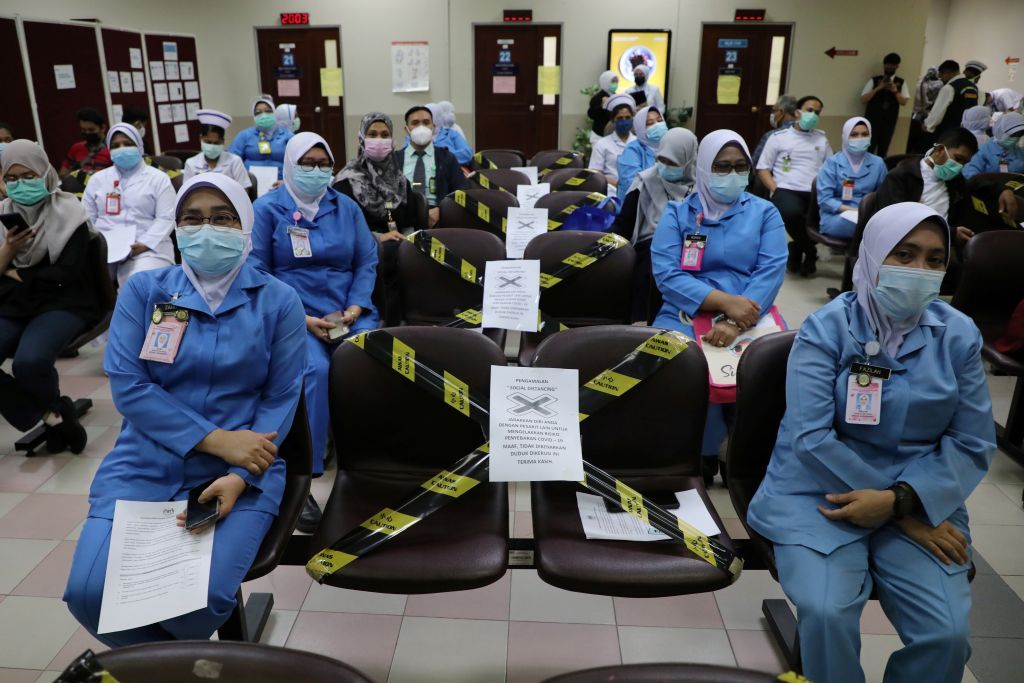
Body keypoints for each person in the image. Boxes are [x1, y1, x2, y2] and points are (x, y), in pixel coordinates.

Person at [747, 201, 995, 683]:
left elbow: (971, 441)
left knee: (946, 636)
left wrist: (899, 503)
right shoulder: (827, 329)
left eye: (934, 259)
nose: (920, 270)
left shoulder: (958, 335)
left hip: (923, 495)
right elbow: (811, 436)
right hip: (820, 489)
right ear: (872, 254)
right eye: (903, 255)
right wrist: (902, 512)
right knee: (826, 613)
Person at [64, 173, 307, 647]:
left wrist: (241, 473)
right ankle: (176, 665)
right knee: (87, 594)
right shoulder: (145, 292)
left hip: (241, 472)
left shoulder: (278, 301)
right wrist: (219, 441)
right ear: (175, 228)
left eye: (222, 218)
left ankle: (175, 659)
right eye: (191, 219)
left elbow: (281, 398)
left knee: (199, 602)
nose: (206, 229)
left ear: (246, 226)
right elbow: (130, 386)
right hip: (144, 462)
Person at [250, 132, 378, 532]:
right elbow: (257, 272)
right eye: (307, 163)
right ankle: (308, 469)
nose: (317, 171)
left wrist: (356, 307)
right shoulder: (268, 209)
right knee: (316, 370)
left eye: (325, 163)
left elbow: (366, 261)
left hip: (349, 311)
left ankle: (370, 458)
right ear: (290, 165)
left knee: (370, 363)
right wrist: (303, 319)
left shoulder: (346, 207)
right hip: (292, 314)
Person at [651, 130, 787, 483]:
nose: (732, 175)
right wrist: (726, 305)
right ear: (703, 169)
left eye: (741, 167)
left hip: (752, 313)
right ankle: (704, 449)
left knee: (767, 365)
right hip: (687, 311)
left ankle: (741, 448)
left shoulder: (764, 213)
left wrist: (736, 320)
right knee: (684, 362)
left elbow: (770, 271)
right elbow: (666, 275)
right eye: (722, 166)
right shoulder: (678, 214)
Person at [0, 140, 99, 454]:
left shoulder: (70, 213)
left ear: (45, 173)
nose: (19, 184)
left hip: (65, 301)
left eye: (27, 175)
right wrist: (9, 251)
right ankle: (53, 414)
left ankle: (51, 415)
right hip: (16, 302)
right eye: (11, 178)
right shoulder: (3, 214)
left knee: (29, 362)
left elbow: (65, 275)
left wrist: (17, 274)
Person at [613, 127, 697, 322]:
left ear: (688, 161)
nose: (665, 167)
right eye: (661, 160)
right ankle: (642, 324)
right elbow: (623, 225)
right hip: (650, 243)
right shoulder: (645, 181)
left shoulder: (702, 188)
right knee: (652, 264)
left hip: (692, 245)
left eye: (672, 163)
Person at [82, 124, 176, 287]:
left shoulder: (158, 178)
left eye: (128, 143)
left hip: (149, 249)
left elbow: (166, 217)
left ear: (139, 146)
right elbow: (87, 218)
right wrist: (100, 245)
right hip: (107, 249)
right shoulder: (98, 180)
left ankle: (155, 313)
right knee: (85, 282)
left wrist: (145, 243)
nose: (122, 149)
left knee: (141, 283)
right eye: (116, 146)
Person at [757, 95, 833, 276]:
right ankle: (810, 250)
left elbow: (831, 167)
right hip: (786, 189)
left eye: (818, 112)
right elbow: (762, 168)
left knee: (818, 221)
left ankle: (797, 248)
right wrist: (775, 190)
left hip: (815, 191)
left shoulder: (821, 140)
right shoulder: (779, 137)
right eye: (810, 110)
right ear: (798, 112)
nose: (813, 115)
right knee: (792, 213)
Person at [334, 113, 418, 239]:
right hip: (363, 250)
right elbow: (342, 229)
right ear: (362, 138)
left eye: (385, 135)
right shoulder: (346, 182)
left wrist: (407, 246)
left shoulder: (400, 182)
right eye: (372, 134)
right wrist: (379, 238)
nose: (379, 140)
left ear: (392, 141)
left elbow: (410, 224)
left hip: (401, 249)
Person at [394, 106, 466, 228]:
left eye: (426, 123)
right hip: (402, 221)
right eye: (415, 123)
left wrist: (442, 210)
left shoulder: (447, 158)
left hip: (438, 221)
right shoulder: (394, 160)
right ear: (407, 129)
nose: (421, 127)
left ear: (433, 128)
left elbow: (462, 193)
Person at [817, 117, 888, 240]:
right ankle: (858, 256)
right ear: (845, 137)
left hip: (869, 214)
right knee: (865, 228)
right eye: (854, 135)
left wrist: (869, 213)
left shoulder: (878, 163)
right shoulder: (832, 163)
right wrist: (855, 211)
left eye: (864, 134)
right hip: (837, 215)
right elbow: (825, 200)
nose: (860, 138)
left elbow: (884, 195)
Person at [228, 95, 293, 179]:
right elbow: (232, 159)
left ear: (274, 112)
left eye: (268, 111)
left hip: (280, 182)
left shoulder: (287, 135)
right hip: (251, 182)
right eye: (258, 112)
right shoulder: (245, 135)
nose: (263, 115)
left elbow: (296, 160)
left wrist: (286, 181)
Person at [184, 109, 252, 189]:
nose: (212, 146)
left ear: (223, 142)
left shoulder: (234, 161)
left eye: (216, 143)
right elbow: (186, 192)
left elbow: (244, 190)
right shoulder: (191, 163)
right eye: (208, 142)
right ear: (201, 139)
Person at [861, 53, 909, 157]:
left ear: (897, 66)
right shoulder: (873, 80)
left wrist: (895, 91)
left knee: (883, 150)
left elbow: (904, 102)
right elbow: (863, 99)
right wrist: (878, 88)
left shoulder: (901, 82)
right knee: (868, 148)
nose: (889, 67)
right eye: (887, 64)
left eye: (892, 65)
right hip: (872, 120)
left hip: (889, 121)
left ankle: (880, 171)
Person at [616, 105, 667, 199]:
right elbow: (632, 186)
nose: (657, 125)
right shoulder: (632, 150)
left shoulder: (670, 146)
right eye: (650, 123)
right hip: (637, 206)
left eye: (660, 121)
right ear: (640, 128)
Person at [587, 94, 635, 191]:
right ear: (613, 121)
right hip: (611, 190)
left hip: (636, 191)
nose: (624, 121)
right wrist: (618, 184)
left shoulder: (639, 143)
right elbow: (595, 173)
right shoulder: (602, 144)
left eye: (627, 117)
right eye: (620, 118)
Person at [924, 61, 980, 138]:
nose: (941, 79)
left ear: (948, 72)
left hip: (947, 132)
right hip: (964, 133)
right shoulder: (973, 87)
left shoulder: (949, 87)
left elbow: (938, 111)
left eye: (941, 76)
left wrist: (928, 126)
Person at [963, 112, 1024, 178]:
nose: (1016, 139)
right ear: (1001, 131)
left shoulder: (1019, 152)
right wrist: (984, 184)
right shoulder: (984, 151)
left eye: (1019, 135)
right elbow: (970, 170)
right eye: (1013, 135)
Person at [60, 107, 112, 178]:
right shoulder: (76, 148)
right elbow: (62, 174)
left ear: (103, 128)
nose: (87, 133)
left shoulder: (113, 148)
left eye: (91, 130)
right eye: (84, 130)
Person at [752, 95, 798, 167]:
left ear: (781, 112)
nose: (772, 114)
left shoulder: (772, 135)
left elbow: (755, 164)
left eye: (773, 111)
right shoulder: (806, 134)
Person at [907, 66, 943, 153]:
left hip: (914, 116)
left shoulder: (919, 83)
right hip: (927, 119)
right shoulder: (941, 86)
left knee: (910, 144)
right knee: (923, 146)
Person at [587, 70, 620, 142]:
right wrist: (602, 106)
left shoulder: (616, 96)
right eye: (613, 81)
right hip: (599, 135)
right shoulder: (598, 97)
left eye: (616, 81)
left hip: (613, 135)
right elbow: (591, 114)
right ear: (606, 81)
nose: (615, 84)